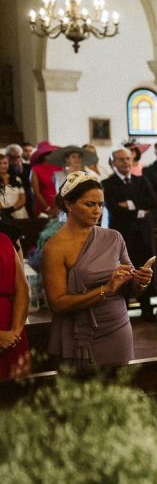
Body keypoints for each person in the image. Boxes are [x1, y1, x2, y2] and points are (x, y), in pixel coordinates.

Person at [41, 172, 152, 368]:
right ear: (69, 204)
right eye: (90, 204)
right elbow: (57, 304)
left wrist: (141, 281)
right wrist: (106, 289)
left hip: (117, 326)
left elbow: (131, 288)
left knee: (121, 389)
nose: (97, 211)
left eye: (100, 204)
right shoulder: (55, 247)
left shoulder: (113, 237)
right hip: (79, 331)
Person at [101, 147, 157, 321]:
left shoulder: (142, 180)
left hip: (142, 235)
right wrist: (139, 209)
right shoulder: (107, 184)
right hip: (122, 234)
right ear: (113, 163)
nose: (126, 162)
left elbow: (152, 202)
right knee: (124, 272)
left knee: (143, 270)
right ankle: (123, 311)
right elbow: (115, 209)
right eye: (121, 159)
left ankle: (147, 310)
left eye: (128, 159)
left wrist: (129, 205)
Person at [0, 237, 31, 380]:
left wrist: (15, 333)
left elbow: (23, 289)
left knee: (15, 393)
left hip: (11, 326)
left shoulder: (4, 240)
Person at [28, 141, 59, 217]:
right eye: (47, 154)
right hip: (43, 205)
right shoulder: (36, 169)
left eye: (51, 153)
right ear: (42, 155)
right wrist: (48, 208)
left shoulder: (58, 167)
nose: (50, 155)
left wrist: (58, 206)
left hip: (59, 204)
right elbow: (36, 192)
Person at [0, 153, 28, 221]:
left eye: (5, 163)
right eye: (0, 163)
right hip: (3, 216)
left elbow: (23, 199)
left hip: (20, 215)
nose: (3, 165)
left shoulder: (16, 179)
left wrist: (12, 209)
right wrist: (5, 212)